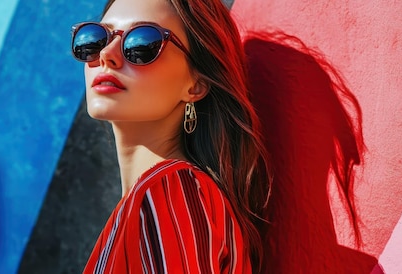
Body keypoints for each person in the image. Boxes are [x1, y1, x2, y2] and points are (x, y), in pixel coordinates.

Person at [70, 0, 271, 272]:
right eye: (95, 39)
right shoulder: (162, 198)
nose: (106, 54)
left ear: (196, 85)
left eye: (141, 44)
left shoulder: (169, 190)